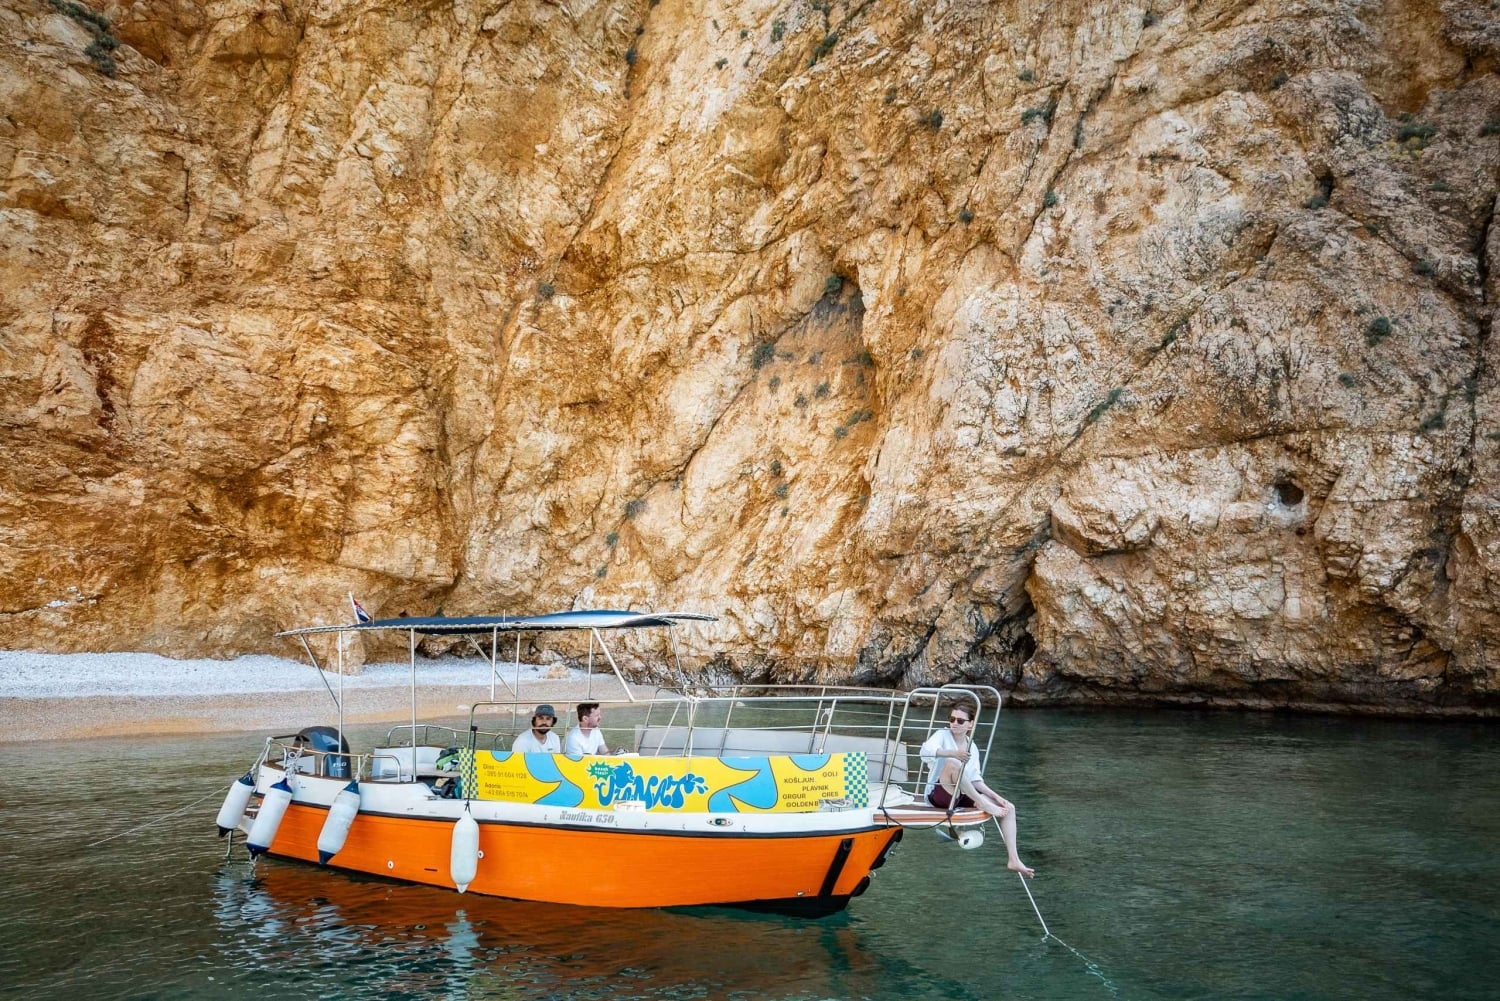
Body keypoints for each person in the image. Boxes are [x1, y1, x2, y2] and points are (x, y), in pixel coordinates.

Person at [920, 705, 1035, 878]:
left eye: (960, 720)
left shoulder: (971, 746)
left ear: (970, 724)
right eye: (952, 719)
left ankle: (1014, 859)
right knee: (953, 763)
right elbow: (925, 751)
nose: (955, 724)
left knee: (1009, 808)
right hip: (940, 794)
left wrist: (997, 797)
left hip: (962, 794)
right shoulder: (942, 735)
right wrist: (953, 753)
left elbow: (975, 780)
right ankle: (980, 802)